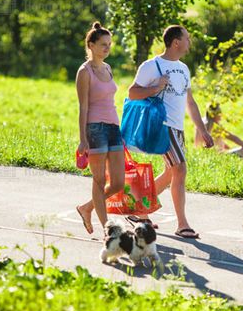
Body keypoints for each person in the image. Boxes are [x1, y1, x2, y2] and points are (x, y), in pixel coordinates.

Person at [128, 25, 214, 239]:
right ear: (176, 42)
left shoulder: (184, 68)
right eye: (187, 38)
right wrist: (156, 87)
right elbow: (132, 93)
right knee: (180, 170)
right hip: (163, 126)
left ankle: (138, 209)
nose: (189, 42)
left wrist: (202, 130)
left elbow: (190, 102)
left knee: (170, 174)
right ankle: (182, 224)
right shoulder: (152, 66)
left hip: (178, 128)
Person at [75, 22, 125, 235]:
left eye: (109, 44)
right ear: (91, 45)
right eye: (103, 44)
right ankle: (108, 230)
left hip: (114, 127)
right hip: (95, 129)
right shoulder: (84, 72)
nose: (107, 48)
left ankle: (87, 208)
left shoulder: (108, 68)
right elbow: (83, 106)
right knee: (99, 180)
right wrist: (83, 138)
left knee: (118, 183)